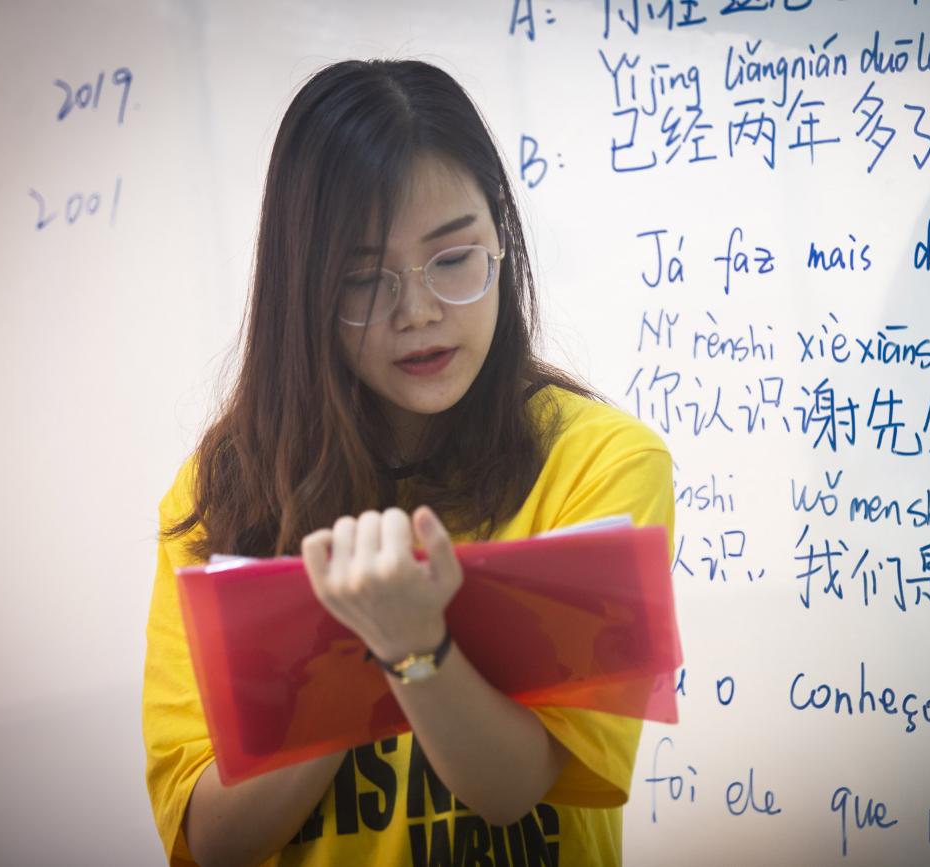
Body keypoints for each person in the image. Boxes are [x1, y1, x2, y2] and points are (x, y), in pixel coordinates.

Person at [141, 58, 674, 866]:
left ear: (501, 233)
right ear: (304, 289)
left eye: (453, 259)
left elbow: (513, 786)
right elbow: (211, 838)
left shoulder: (597, 462)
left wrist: (411, 647)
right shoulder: (224, 488)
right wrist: (366, 643)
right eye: (363, 279)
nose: (417, 311)